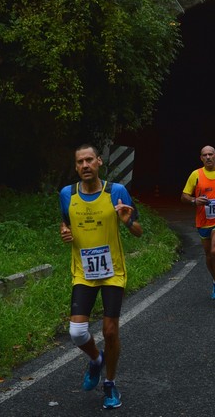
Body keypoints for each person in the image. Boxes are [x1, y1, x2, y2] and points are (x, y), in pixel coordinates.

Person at [59, 143, 142, 410]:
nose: (85, 165)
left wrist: (128, 221)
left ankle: (109, 384)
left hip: (112, 273)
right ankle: (96, 360)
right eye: (80, 162)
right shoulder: (67, 194)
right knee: (76, 332)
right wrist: (65, 232)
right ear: (75, 166)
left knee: (110, 331)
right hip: (83, 273)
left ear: (99, 162)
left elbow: (138, 231)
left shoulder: (116, 191)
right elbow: (66, 223)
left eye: (89, 160)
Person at [181, 145, 215, 301]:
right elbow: (184, 196)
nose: (208, 157)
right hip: (203, 220)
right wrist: (194, 200)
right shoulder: (196, 175)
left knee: (214, 251)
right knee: (208, 255)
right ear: (201, 158)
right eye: (204, 155)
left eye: (210, 154)